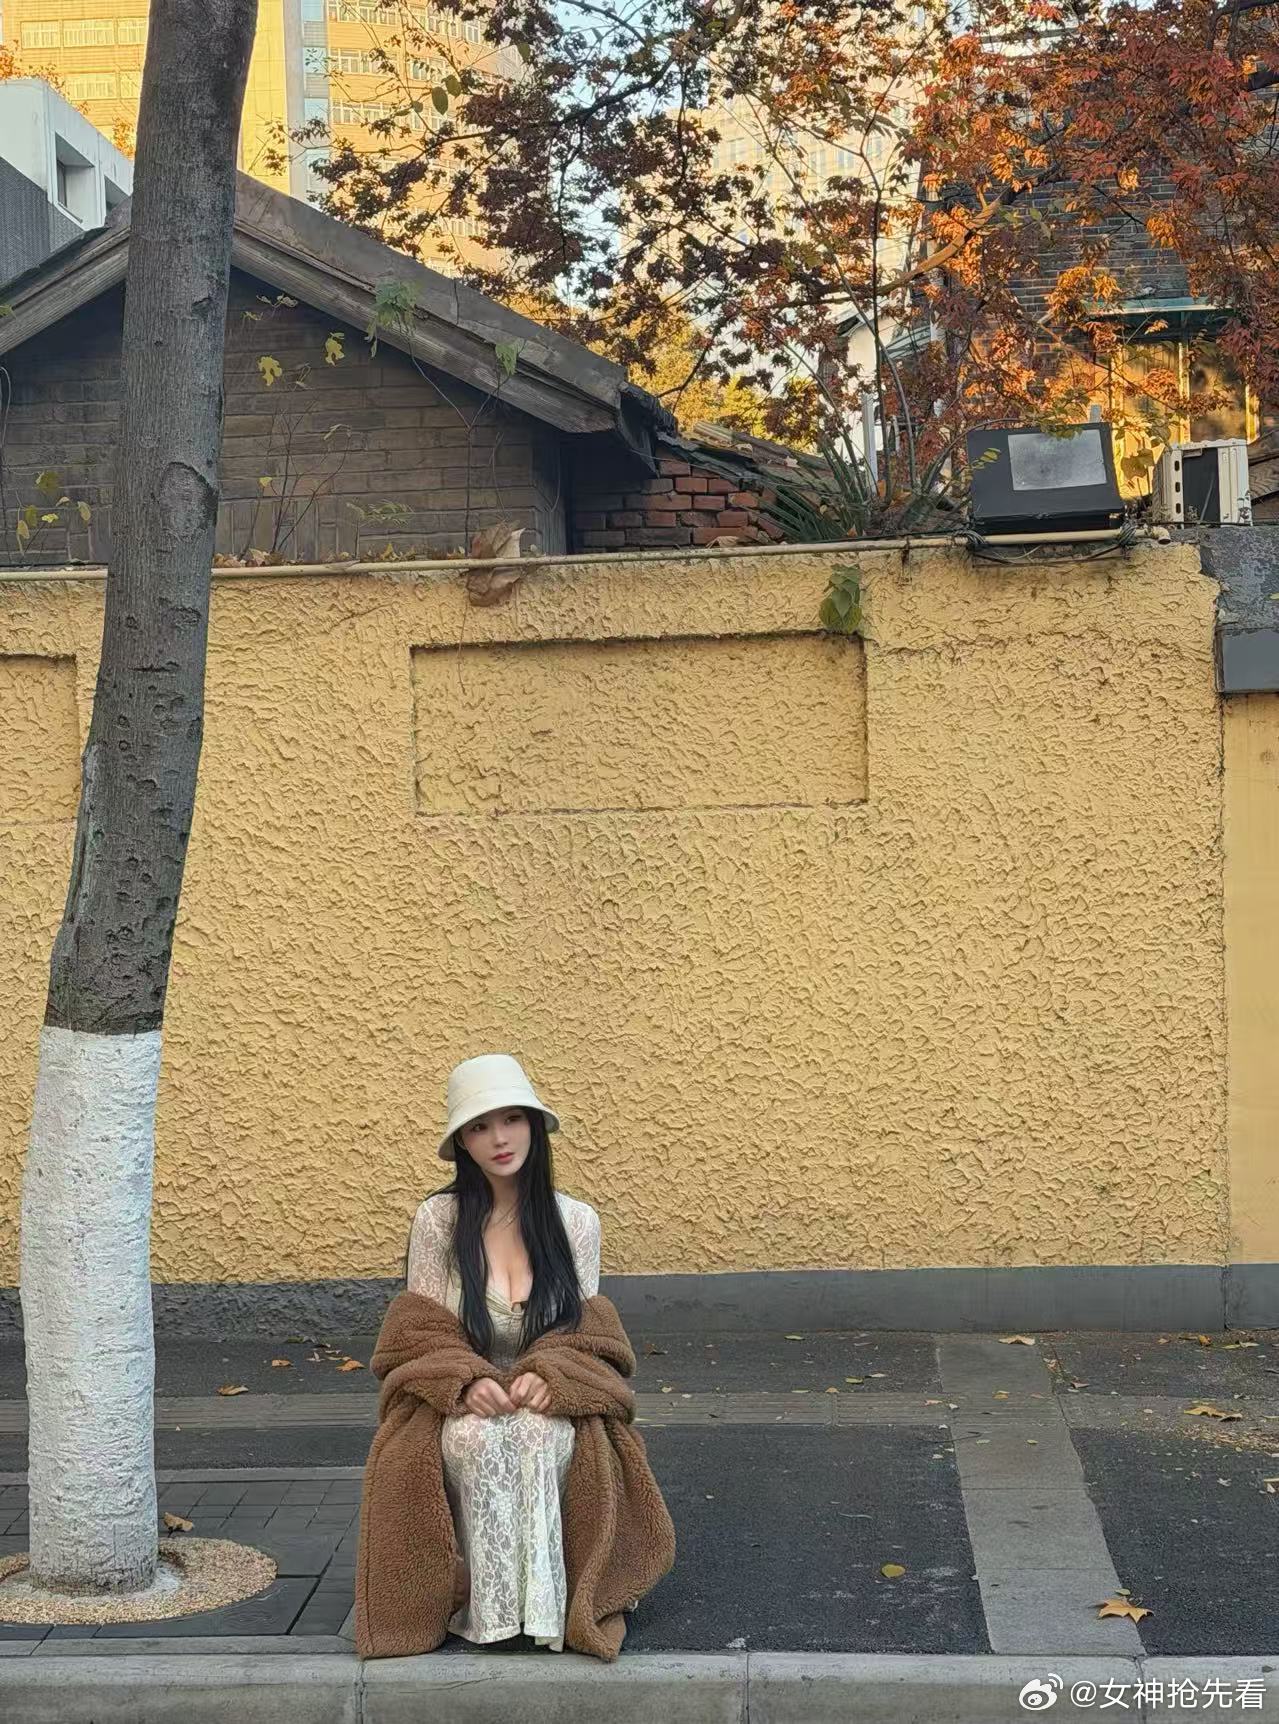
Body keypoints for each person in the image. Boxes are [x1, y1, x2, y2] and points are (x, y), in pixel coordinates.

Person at [403, 1052, 601, 1653]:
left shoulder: (576, 1222)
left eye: (512, 1119)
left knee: (540, 1434)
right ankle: (490, 1615)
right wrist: (463, 1382)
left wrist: (553, 1375)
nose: (499, 1138)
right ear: (463, 1142)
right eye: (480, 1126)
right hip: (462, 1398)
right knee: (474, 1439)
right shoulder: (438, 1220)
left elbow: (589, 1333)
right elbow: (420, 1332)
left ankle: (545, 1612)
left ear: (534, 1127)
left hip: (546, 1397)